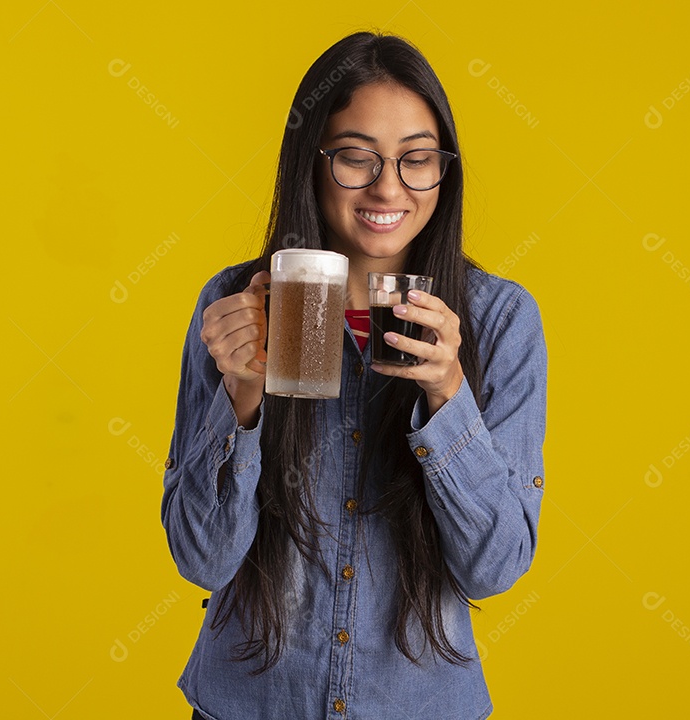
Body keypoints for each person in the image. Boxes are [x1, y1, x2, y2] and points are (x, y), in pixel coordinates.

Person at [160, 30, 548, 720]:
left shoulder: (499, 320)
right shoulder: (238, 305)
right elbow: (202, 559)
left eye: (416, 159)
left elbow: (495, 567)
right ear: (311, 162)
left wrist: (447, 394)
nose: (388, 187)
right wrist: (242, 394)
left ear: (444, 171)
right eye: (355, 158)